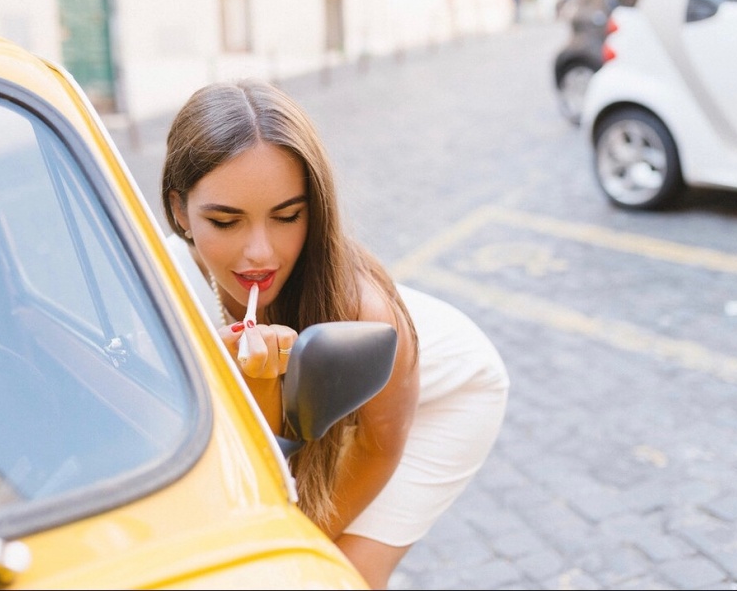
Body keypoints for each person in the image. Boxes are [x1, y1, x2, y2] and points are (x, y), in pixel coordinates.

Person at [160, 79, 509, 589]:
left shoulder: (365, 312)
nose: (260, 253)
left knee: (332, 576)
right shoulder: (164, 274)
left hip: (443, 398)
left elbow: (378, 446)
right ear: (180, 211)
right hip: (335, 405)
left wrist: (287, 554)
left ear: (314, 208)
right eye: (226, 222)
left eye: (287, 216)